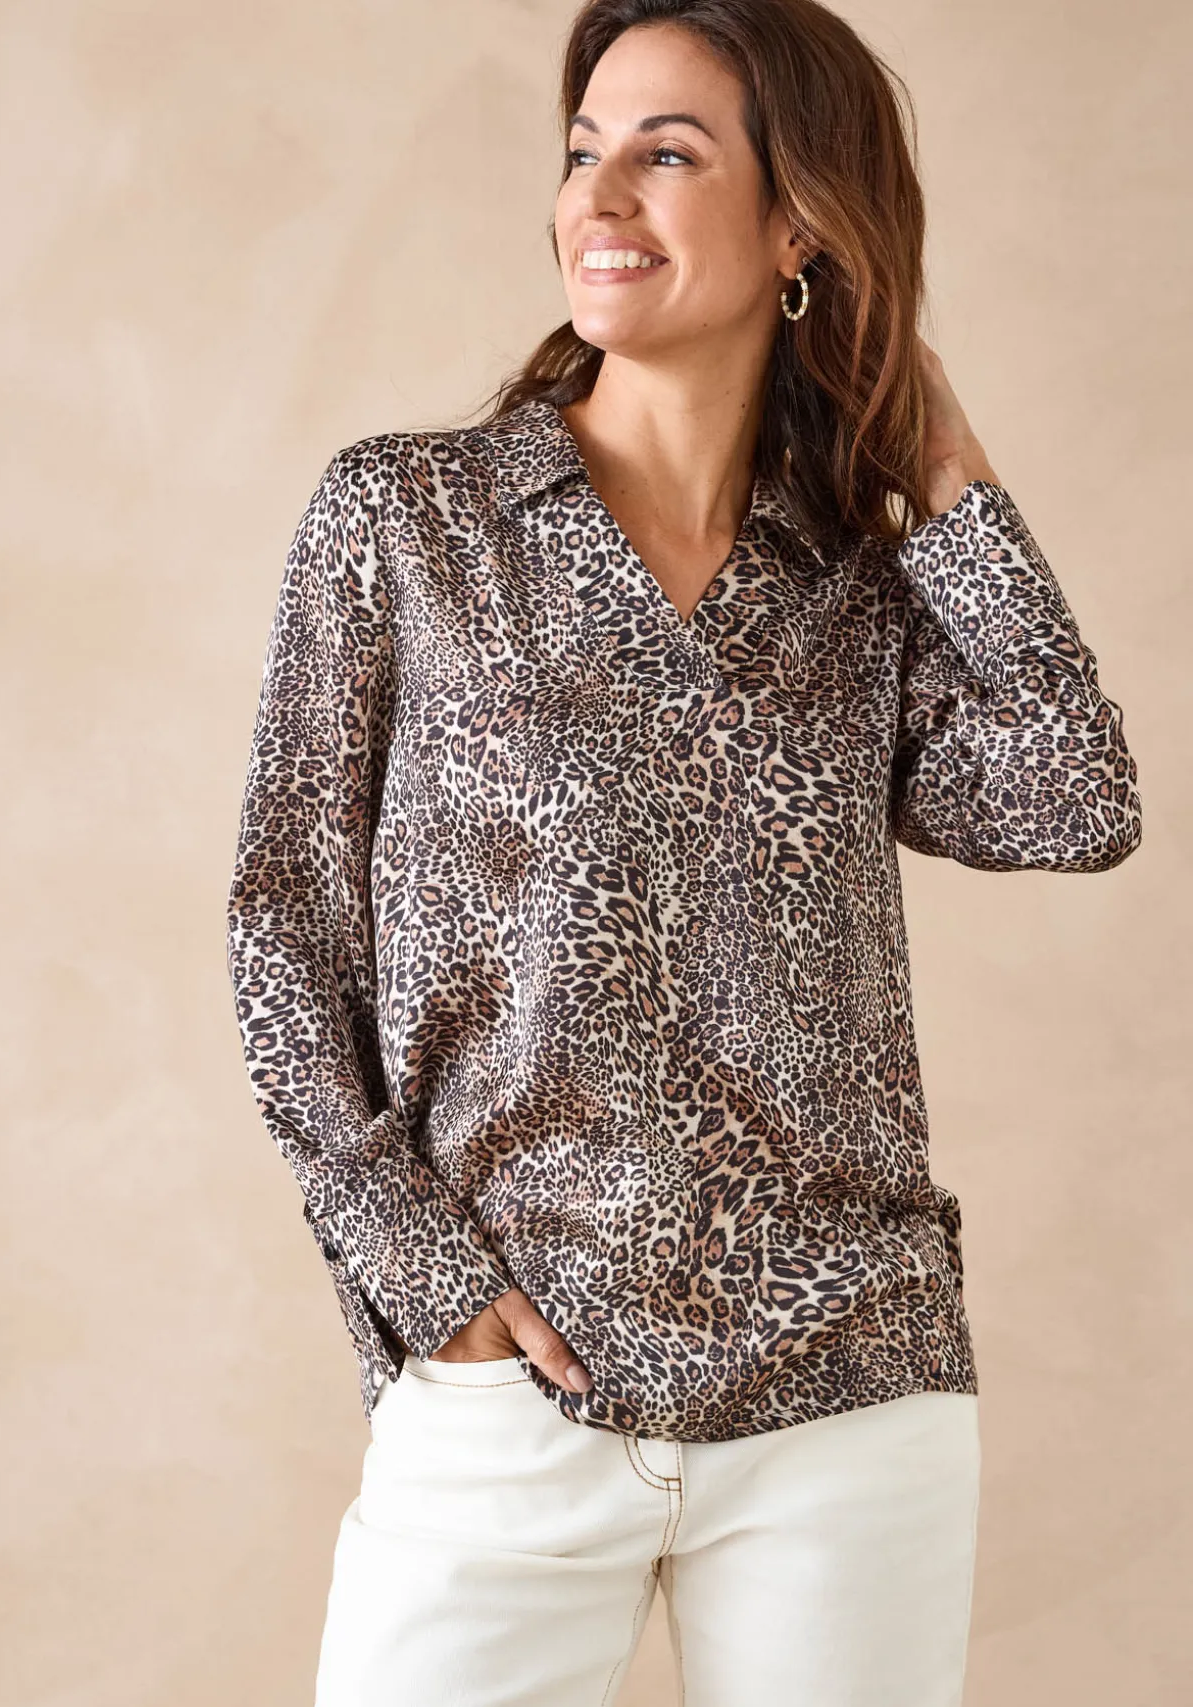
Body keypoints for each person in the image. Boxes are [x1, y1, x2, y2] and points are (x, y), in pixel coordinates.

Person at [224, 2, 1142, 1703]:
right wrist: (425, 1278)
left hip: (842, 1390)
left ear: (802, 225)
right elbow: (284, 931)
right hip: (516, 1380)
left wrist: (945, 466)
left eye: (666, 154)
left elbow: (1080, 796)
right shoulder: (410, 521)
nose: (597, 197)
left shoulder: (853, 596)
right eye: (584, 151)